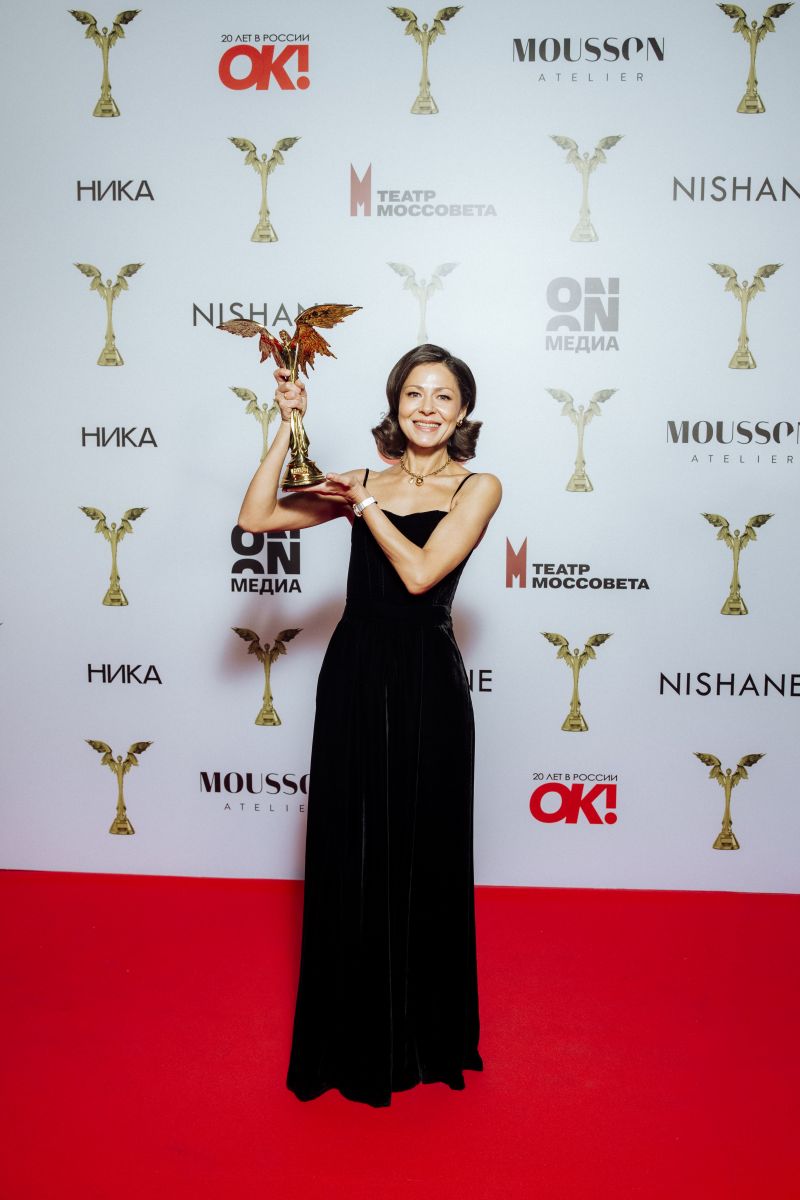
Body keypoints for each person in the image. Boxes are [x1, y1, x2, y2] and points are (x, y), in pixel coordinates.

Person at [238, 344, 502, 1107]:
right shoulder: (363, 479)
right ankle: (351, 1037)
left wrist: (365, 507)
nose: (428, 408)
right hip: (355, 674)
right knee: (353, 847)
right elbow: (256, 516)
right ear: (396, 403)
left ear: (462, 411)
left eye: (443, 396)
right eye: (415, 394)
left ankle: (424, 1035)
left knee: (424, 847)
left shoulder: (477, 486)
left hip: (427, 681)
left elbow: (420, 574)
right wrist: (288, 426)